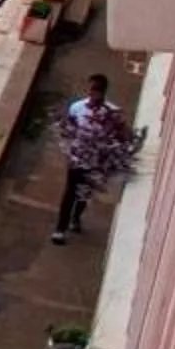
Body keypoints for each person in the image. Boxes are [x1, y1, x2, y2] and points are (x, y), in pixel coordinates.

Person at [54, 74, 133, 245]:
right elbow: (68, 130)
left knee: (84, 193)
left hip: (97, 161)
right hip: (77, 158)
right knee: (70, 192)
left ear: (103, 92)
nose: (92, 93)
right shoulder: (77, 107)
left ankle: (75, 218)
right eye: (91, 89)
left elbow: (123, 135)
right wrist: (68, 149)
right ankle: (60, 229)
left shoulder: (111, 112)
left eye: (97, 90)